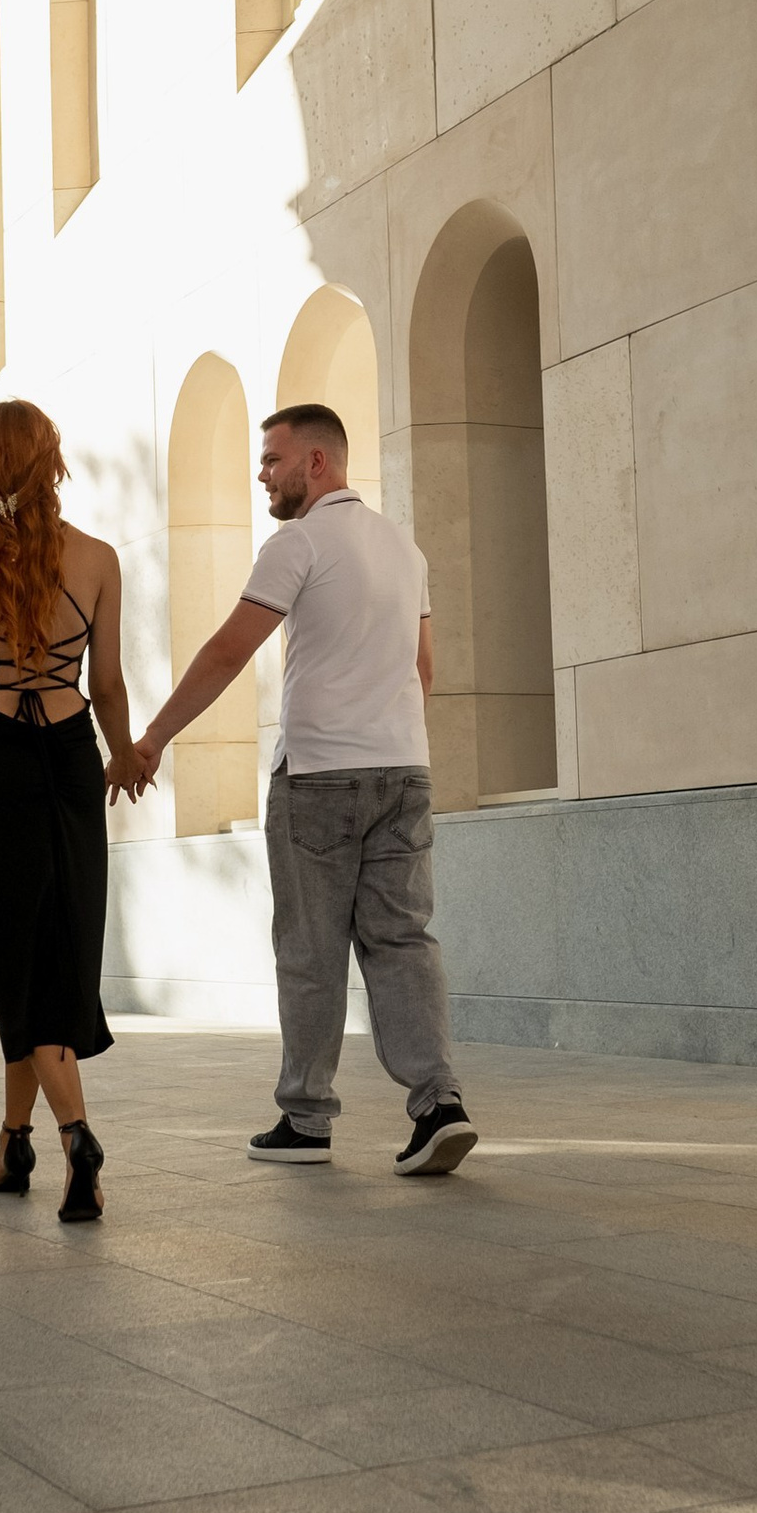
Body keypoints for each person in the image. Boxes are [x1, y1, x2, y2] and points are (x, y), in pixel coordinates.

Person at [121, 401, 477, 1176]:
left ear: (318, 462)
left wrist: (152, 739)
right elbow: (425, 674)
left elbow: (226, 651)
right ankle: (438, 1104)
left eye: (273, 460)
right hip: (405, 773)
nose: (262, 474)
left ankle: (307, 1121)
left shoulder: (299, 542)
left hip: (321, 776)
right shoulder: (404, 551)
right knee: (403, 941)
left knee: (311, 949)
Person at [0, 398, 138, 1222]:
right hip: (74, 765)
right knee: (53, 959)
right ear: (51, 463)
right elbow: (107, 685)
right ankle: (14, 1145)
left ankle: (77, 1134)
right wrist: (121, 754)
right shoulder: (98, 560)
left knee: (19, 964)